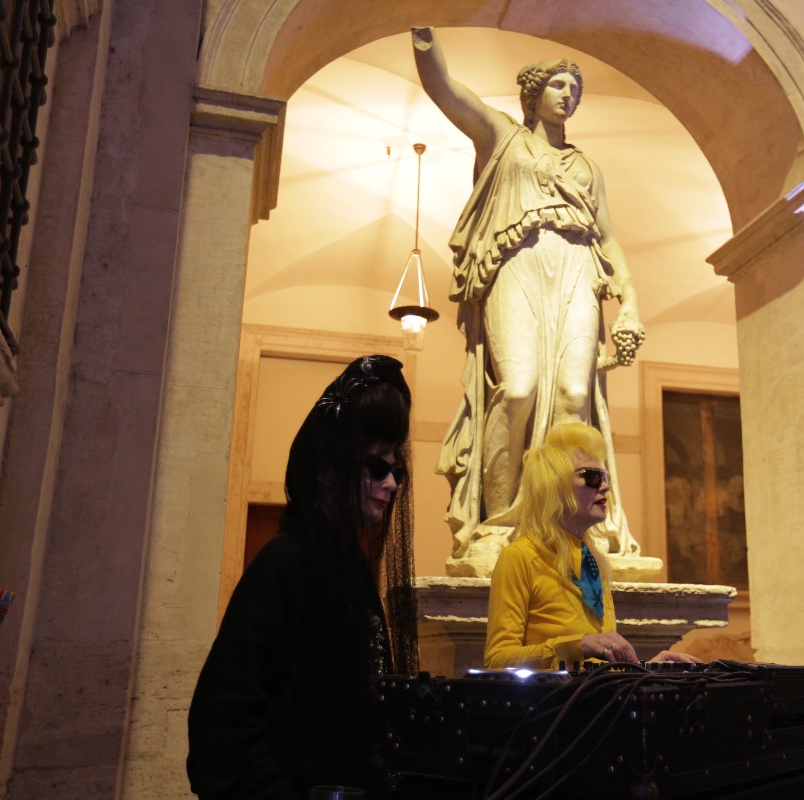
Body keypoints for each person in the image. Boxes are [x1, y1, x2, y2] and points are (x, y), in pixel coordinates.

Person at [412, 27, 646, 574]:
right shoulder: (503, 137)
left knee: (573, 395)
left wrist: (631, 302)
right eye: (558, 85)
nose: (568, 95)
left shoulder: (587, 167)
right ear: (534, 93)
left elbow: (608, 238)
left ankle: (568, 526)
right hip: (515, 265)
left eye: (575, 89)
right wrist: (421, 30)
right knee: (518, 388)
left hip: (577, 270)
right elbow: (444, 88)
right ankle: (500, 526)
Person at [187, 355, 418, 799]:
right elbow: (222, 724)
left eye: (397, 471)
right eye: (377, 467)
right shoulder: (284, 564)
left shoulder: (350, 570)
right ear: (328, 471)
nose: (391, 484)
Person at [484, 422, 699, 669]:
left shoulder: (594, 562)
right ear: (554, 484)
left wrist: (648, 668)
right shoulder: (519, 557)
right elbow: (497, 660)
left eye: (605, 477)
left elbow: (599, 665)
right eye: (592, 477)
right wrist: (577, 646)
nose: (605, 486)